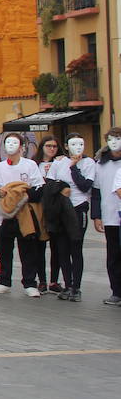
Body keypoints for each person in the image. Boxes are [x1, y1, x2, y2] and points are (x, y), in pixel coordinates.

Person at [0, 132, 46, 296]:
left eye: (14, 143)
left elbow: (38, 188)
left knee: (28, 250)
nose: (10, 146)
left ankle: (29, 283)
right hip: (4, 215)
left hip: (24, 214)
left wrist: (23, 195)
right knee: (4, 250)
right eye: (7, 143)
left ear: (22, 147)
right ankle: (4, 281)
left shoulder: (30, 165)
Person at [48, 133, 95, 301]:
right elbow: (50, 183)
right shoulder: (59, 162)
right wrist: (61, 187)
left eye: (81, 144)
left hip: (78, 209)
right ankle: (67, 285)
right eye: (73, 144)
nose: (78, 148)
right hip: (61, 209)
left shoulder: (89, 163)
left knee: (76, 247)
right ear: (67, 146)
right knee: (62, 249)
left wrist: (74, 167)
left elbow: (85, 186)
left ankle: (76, 287)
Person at [91, 128, 121, 307]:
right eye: (111, 139)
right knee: (114, 255)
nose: (114, 142)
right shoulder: (100, 163)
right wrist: (96, 216)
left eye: (117, 138)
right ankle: (116, 291)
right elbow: (96, 191)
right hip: (110, 215)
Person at [32, 136, 66, 292]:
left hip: (56, 208)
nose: (52, 149)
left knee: (57, 247)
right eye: (48, 145)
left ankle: (54, 280)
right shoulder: (34, 164)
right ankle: (42, 280)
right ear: (42, 147)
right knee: (39, 245)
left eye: (54, 146)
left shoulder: (61, 162)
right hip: (40, 208)